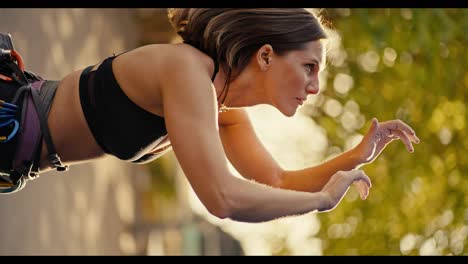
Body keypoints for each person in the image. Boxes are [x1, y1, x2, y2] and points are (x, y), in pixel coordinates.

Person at [0, 8, 419, 223]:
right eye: (309, 67)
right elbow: (223, 198)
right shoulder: (188, 75)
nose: (315, 86)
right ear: (267, 55)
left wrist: (356, 158)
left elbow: (275, 182)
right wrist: (322, 201)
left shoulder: (221, 110)